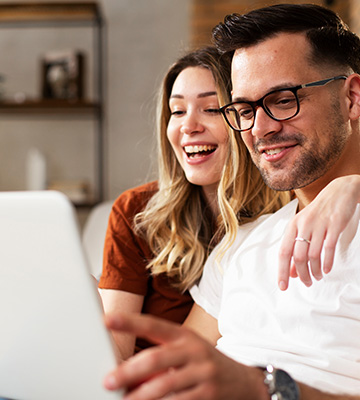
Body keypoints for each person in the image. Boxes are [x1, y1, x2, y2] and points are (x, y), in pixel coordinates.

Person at [102, 4, 360, 399]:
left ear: (352, 98)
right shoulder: (244, 242)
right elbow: (173, 372)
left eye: (283, 99)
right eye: (243, 109)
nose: (260, 128)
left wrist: (261, 388)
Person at [98, 46, 288, 360]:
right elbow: (113, 357)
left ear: (246, 119)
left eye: (211, 109)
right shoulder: (137, 213)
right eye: (177, 111)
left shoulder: (286, 219)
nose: (189, 126)